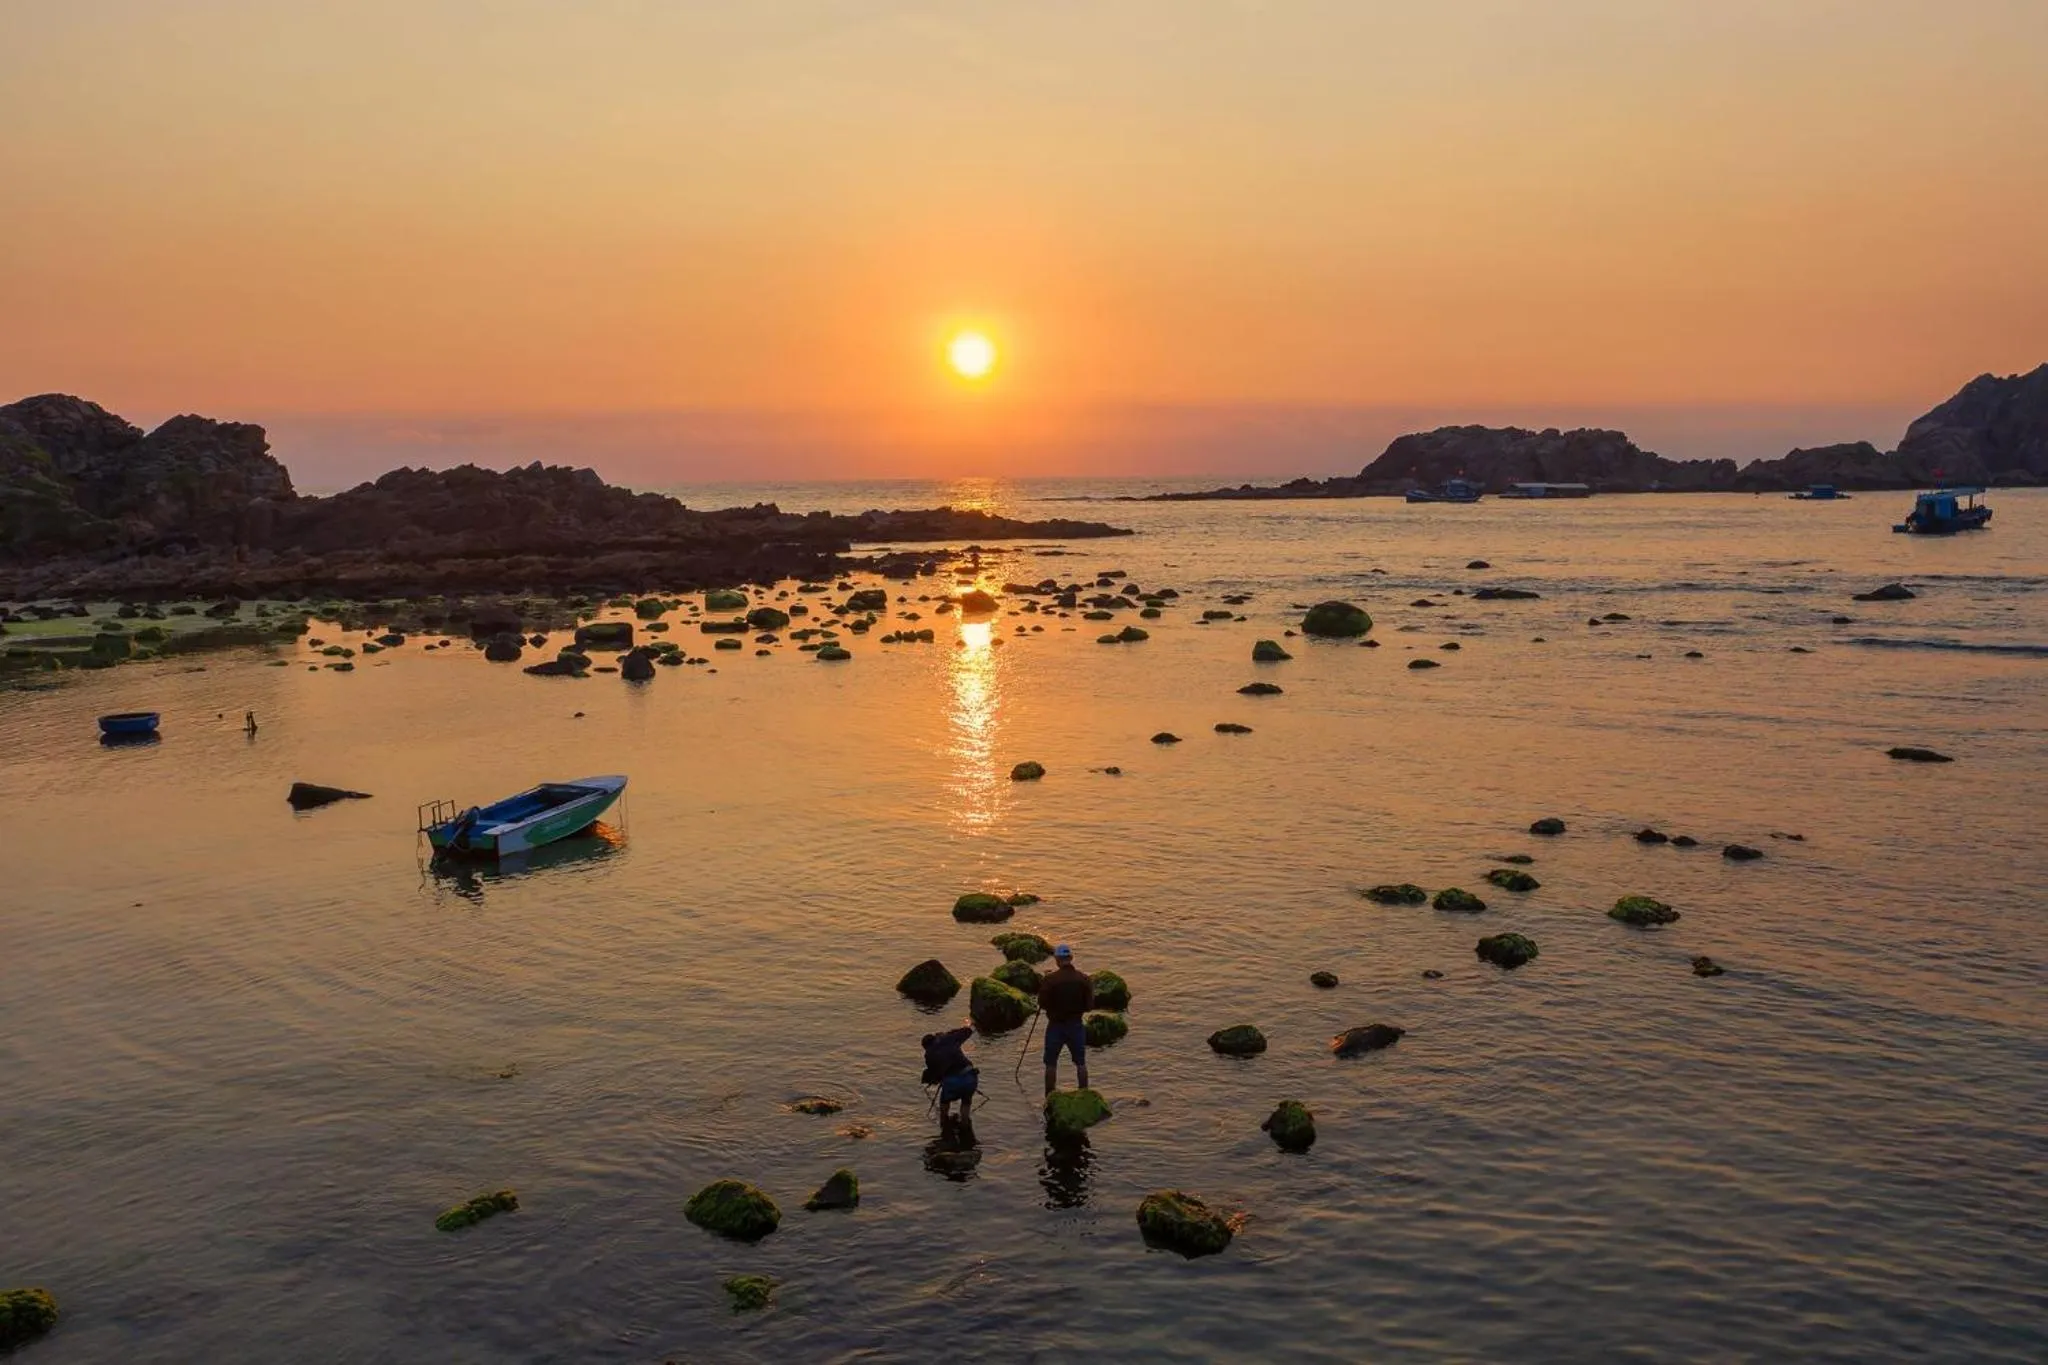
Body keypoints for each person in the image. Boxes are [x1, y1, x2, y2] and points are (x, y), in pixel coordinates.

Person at [1037, 943, 1094, 1096]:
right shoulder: (1084, 979)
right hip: (1076, 1025)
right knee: (1081, 1063)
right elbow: (1089, 1006)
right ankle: (1084, 1095)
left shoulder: (1050, 980)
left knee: (1051, 1063)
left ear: (1057, 960)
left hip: (1056, 1025)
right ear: (1071, 958)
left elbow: (1042, 1003)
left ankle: (1049, 1096)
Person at [921, 1019, 979, 1127]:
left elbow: (935, 1074)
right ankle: (965, 1125)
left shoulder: (929, 1055)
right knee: (966, 1102)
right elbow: (967, 1031)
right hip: (970, 1077)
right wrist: (948, 1033)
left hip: (952, 1082)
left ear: (925, 1047)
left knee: (944, 1102)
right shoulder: (949, 1038)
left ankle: (944, 1125)